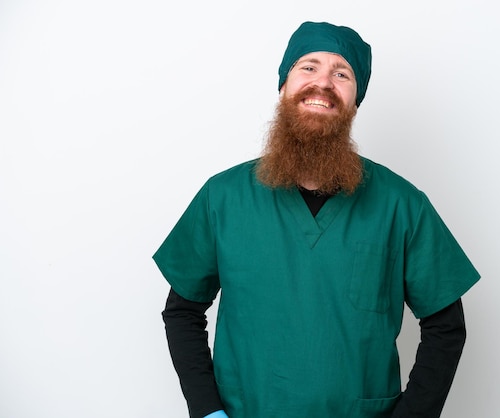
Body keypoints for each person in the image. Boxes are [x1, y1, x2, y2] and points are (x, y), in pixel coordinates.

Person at [153, 21, 480, 418]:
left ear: (355, 100)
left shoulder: (401, 204)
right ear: (283, 86)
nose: (323, 83)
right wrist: (208, 411)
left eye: (342, 74)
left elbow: (446, 328)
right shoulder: (223, 197)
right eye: (308, 67)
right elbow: (182, 311)